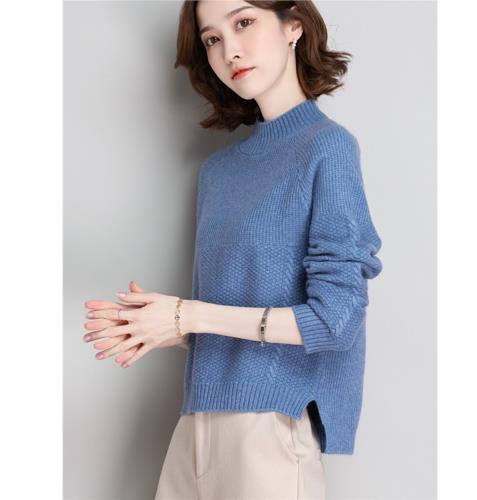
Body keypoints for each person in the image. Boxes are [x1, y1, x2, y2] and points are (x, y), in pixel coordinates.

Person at [83, 1, 384, 498]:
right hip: (195, 424)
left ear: (293, 25)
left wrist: (187, 315)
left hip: (271, 428)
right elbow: (234, 315)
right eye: (212, 39)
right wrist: (163, 325)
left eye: (244, 22)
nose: (230, 51)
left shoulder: (327, 148)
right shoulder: (218, 173)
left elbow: (336, 320)